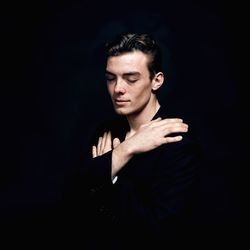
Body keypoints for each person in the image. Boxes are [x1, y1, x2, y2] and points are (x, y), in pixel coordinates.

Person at [79, 32, 202, 249]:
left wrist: (110, 176)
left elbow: (159, 232)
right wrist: (125, 149)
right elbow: (74, 205)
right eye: (110, 78)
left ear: (157, 81)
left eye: (131, 79)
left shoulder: (178, 144)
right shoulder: (105, 132)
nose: (118, 89)